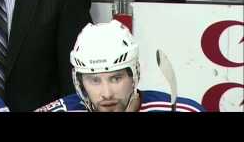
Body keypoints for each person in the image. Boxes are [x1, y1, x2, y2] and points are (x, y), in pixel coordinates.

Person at [36, 20, 205, 112]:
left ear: (134, 75)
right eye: (94, 80)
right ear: (79, 82)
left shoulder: (187, 110)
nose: (107, 93)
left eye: (116, 78)